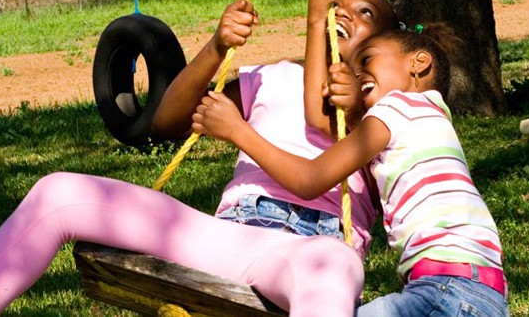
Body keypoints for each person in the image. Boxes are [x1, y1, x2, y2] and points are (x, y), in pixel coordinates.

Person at [0, 0, 399, 316]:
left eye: (365, 12)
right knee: (57, 192)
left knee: (333, 267)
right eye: (336, 3)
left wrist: (359, 95)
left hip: (304, 251)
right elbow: (167, 122)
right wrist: (217, 46)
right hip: (228, 235)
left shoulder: (387, 108)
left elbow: (346, 143)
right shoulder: (273, 77)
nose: (345, 13)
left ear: (390, 43)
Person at [192, 25, 510, 316]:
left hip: (443, 290)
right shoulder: (434, 119)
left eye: (367, 61)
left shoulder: (396, 107)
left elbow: (310, 179)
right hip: (488, 294)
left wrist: (237, 131)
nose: (358, 76)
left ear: (418, 63)